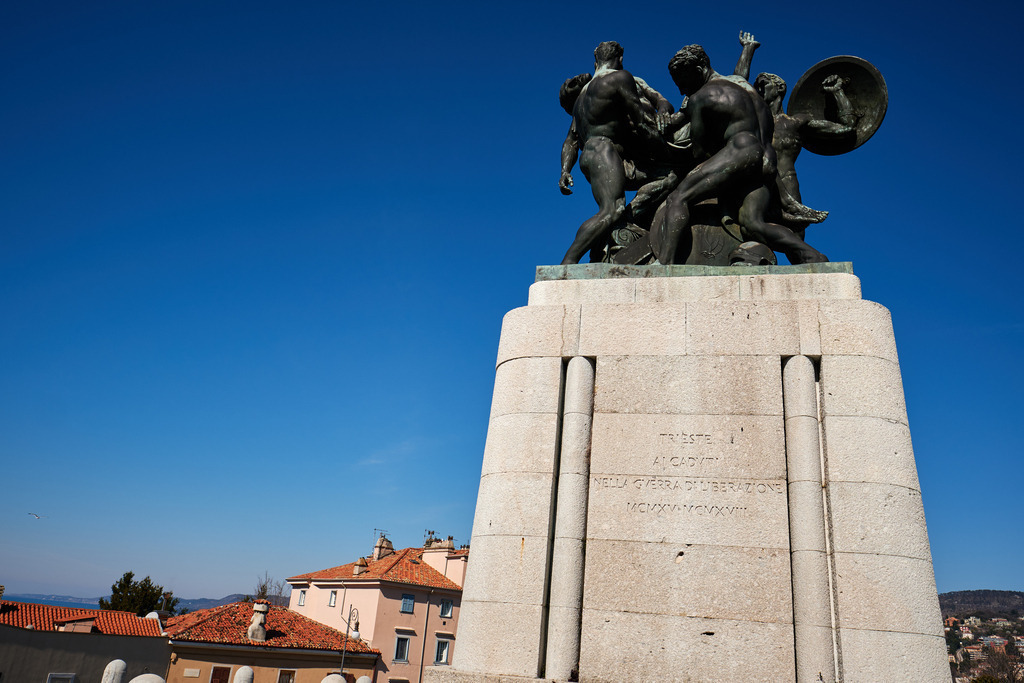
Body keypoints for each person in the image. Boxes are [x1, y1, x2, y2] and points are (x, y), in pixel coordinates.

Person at [655, 44, 828, 265]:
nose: (682, 91)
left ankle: (665, 264)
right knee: (752, 225)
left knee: (678, 198)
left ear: (699, 69)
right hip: (767, 161)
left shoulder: (702, 96)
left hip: (741, 151)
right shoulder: (745, 87)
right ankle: (813, 256)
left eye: (683, 83)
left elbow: (699, 151)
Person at [557, 41, 674, 264]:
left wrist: (564, 171)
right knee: (612, 209)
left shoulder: (583, 95)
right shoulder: (620, 78)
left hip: (592, 154)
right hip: (604, 150)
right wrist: (665, 146)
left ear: (595, 62)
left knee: (668, 177)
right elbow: (640, 121)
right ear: (620, 59)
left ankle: (625, 225)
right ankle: (568, 262)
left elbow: (571, 140)